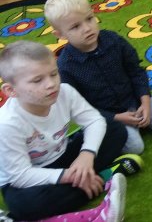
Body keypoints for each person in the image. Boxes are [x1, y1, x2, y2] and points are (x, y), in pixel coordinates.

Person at [0, 41, 128, 222]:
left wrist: (86, 155)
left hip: (63, 155)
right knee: (23, 205)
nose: (51, 84)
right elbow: (20, 175)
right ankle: (99, 177)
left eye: (54, 74)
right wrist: (68, 176)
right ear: (11, 90)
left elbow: (94, 120)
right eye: (37, 80)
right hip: (29, 176)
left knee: (115, 129)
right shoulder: (6, 123)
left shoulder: (65, 92)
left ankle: (87, 178)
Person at [44, 0, 152, 155]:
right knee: (134, 148)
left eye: (89, 19)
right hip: (107, 115)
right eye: (75, 26)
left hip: (135, 100)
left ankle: (139, 122)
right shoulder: (66, 66)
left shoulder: (113, 40)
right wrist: (116, 118)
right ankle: (97, 134)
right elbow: (77, 106)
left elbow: (136, 71)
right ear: (60, 34)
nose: (87, 28)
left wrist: (145, 102)